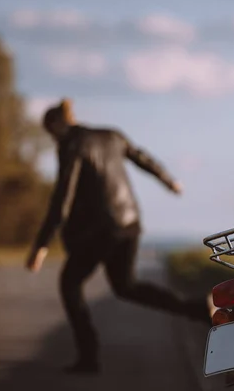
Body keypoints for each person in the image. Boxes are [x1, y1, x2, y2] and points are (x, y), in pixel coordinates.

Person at [25, 98, 210, 374]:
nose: (53, 141)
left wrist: (40, 245)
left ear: (56, 126)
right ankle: (199, 310)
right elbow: (142, 158)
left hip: (102, 230)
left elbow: (62, 198)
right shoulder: (112, 135)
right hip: (130, 223)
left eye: (51, 134)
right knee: (126, 286)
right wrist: (169, 180)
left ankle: (89, 358)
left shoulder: (71, 145)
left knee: (69, 284)